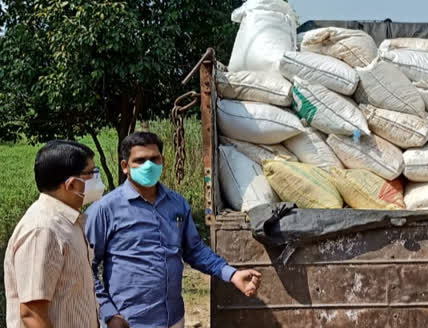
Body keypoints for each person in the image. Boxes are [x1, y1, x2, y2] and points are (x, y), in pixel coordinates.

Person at [85, 132, 261, 328]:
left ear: (163, 161)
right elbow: (85, 268)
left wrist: (231, 274)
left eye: (154, 159)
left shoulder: (177, 204)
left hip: (173, 319)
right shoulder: (105, 209)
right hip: (128, 321)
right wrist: (109, 314)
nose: (148, 166)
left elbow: (194, 250)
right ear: (125, 166)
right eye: (140, 160)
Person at [4, 140, 104, 328]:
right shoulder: (42, 230)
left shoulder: (69, 221)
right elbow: (32, 314)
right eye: (92, 173)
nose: (97, 179)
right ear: (72, 184)